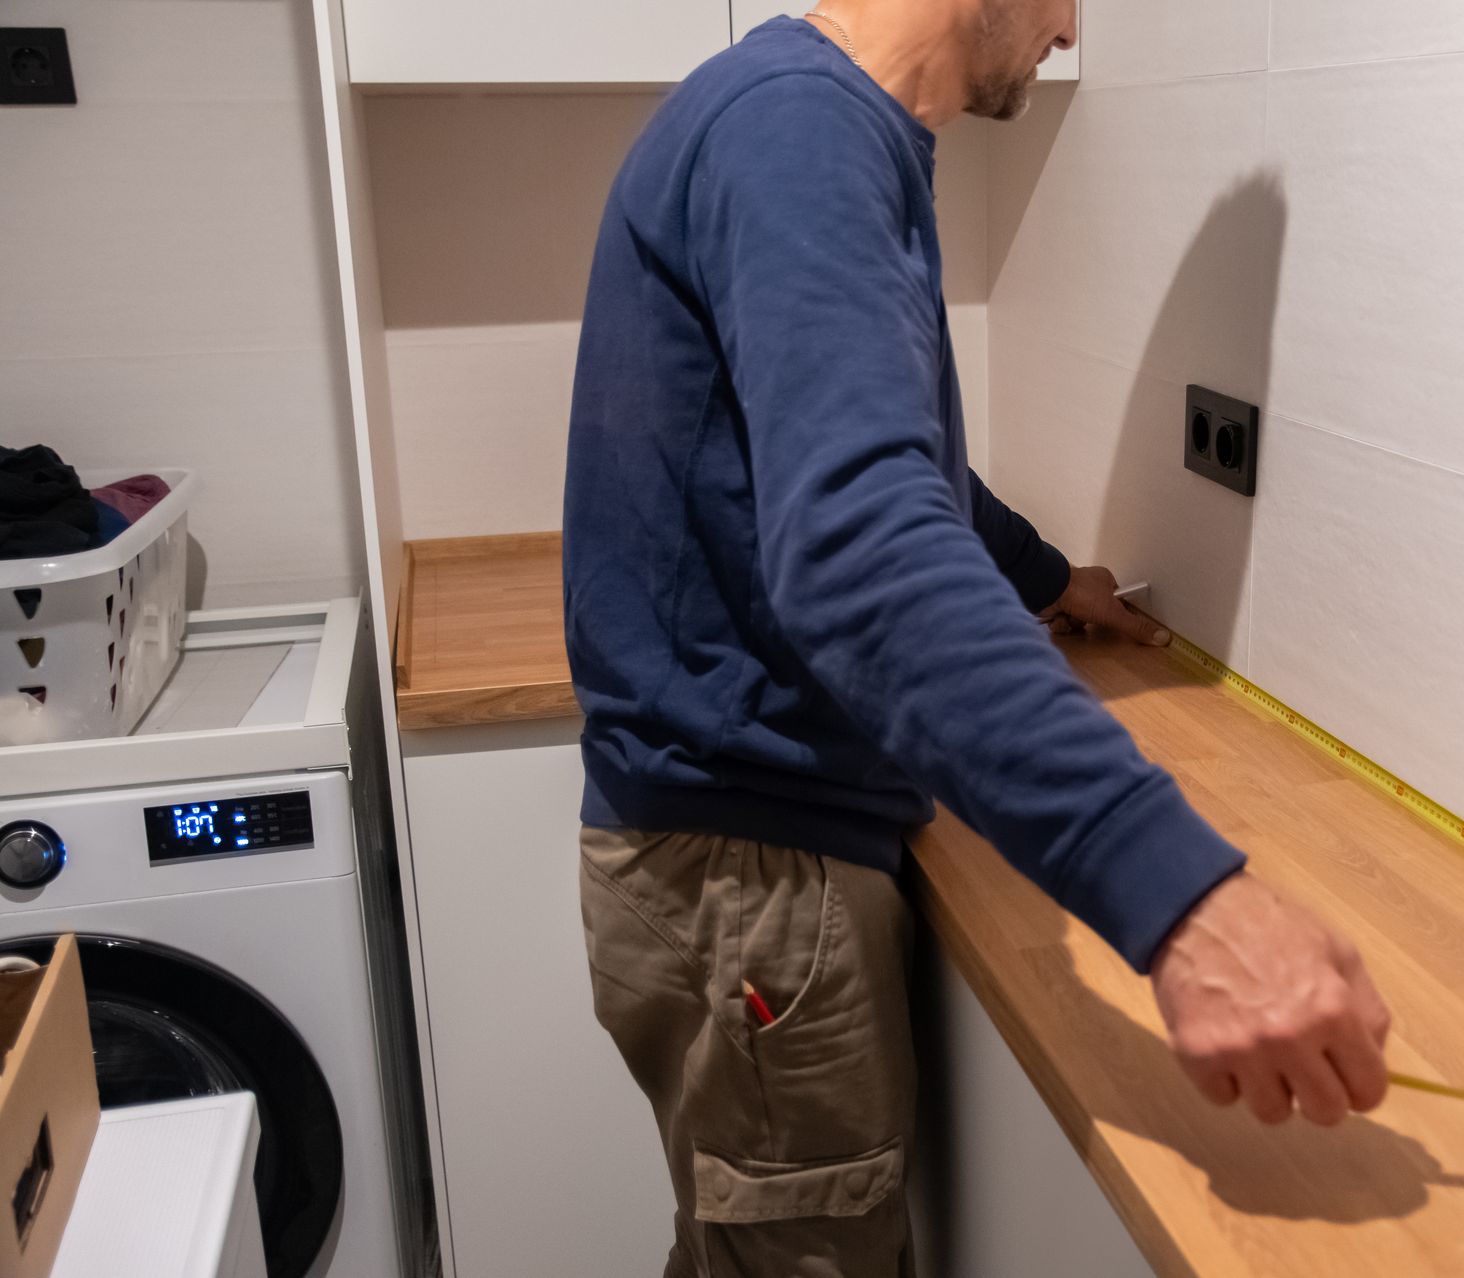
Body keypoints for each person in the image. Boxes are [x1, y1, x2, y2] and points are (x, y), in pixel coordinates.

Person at [562, 1, 1394, 1273]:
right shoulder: (804, 130)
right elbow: (856, 545)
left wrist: (1049, 579)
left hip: (728, 860)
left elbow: (880, 468)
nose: (1068, 28)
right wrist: (1187, 901)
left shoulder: (798, 116)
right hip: (752, 877)